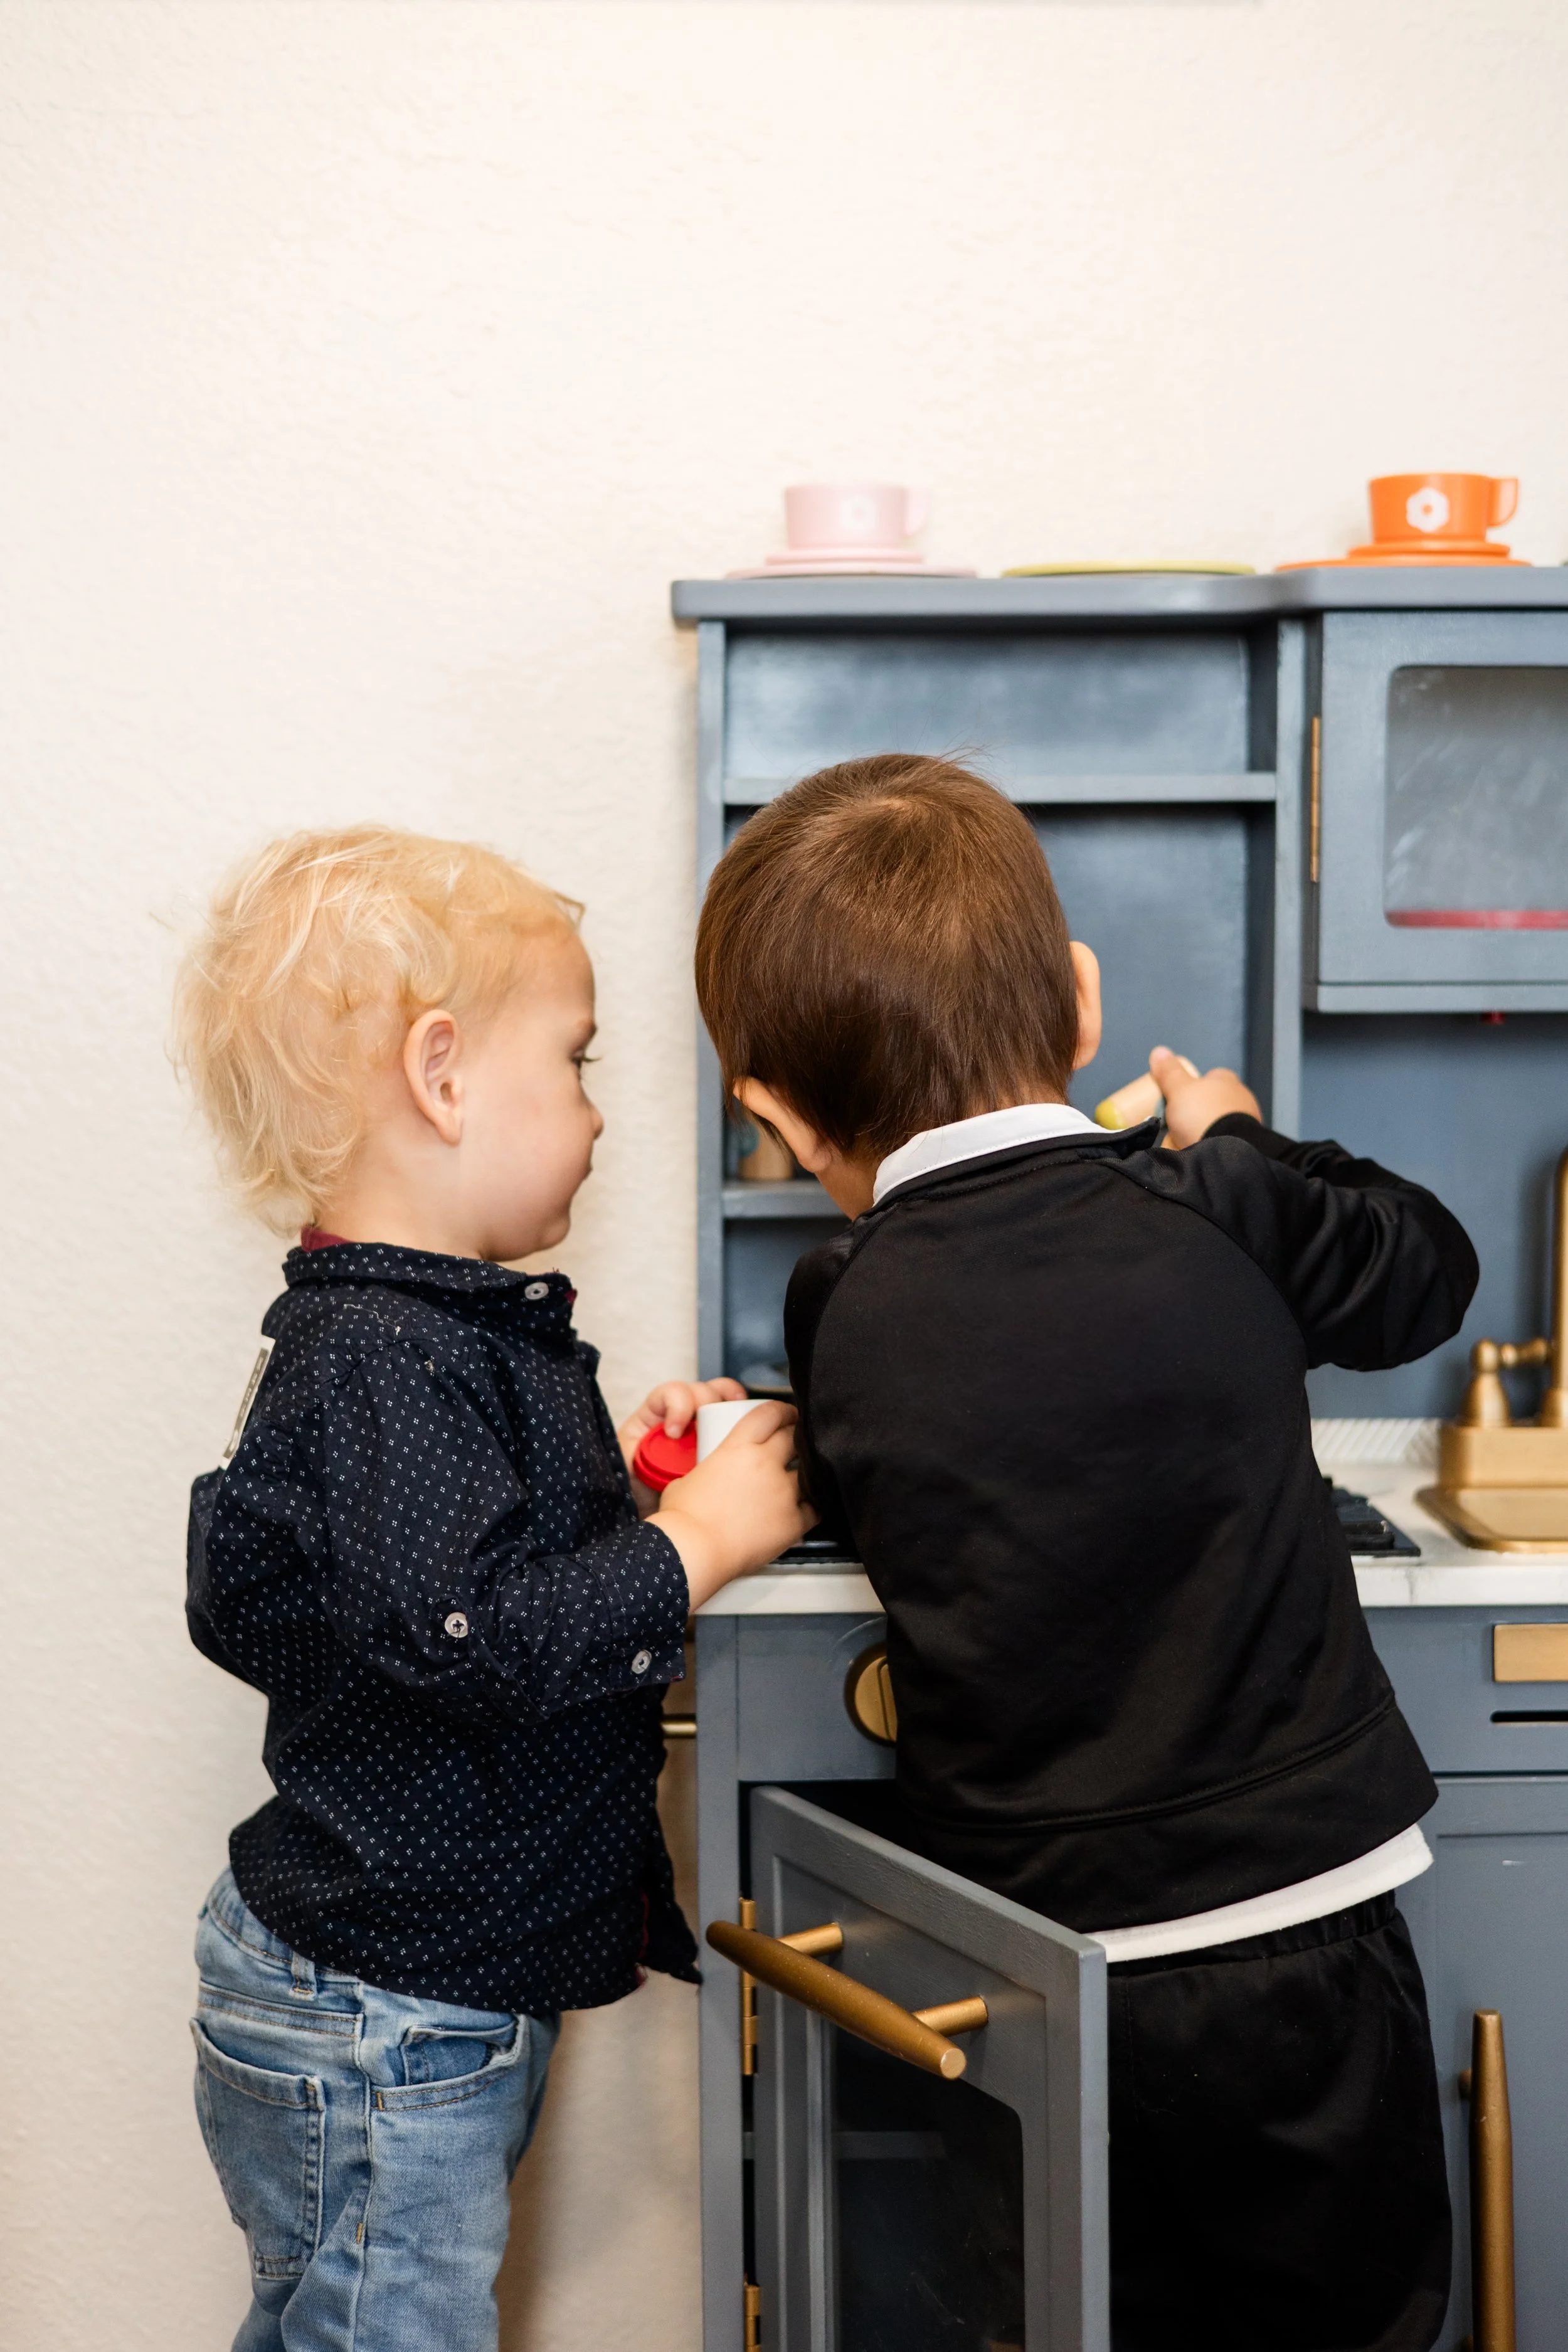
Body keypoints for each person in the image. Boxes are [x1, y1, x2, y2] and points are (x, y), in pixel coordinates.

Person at [694, 755, 1478, 2352]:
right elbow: (1423, 1278)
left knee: (1063, 2310)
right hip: (1297, 1939)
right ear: (1080, 1002)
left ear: (770, 1115)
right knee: (1349, 2321)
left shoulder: (838, 1302)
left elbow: (888, 1476)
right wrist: (1251, 1148)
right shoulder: (1213, 1207)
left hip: (1040, 1963)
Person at [176, 825, 810, 2352]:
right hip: (387, 2017)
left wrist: (640, 1499)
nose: (597, 1114)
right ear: (444, 1075)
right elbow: (467, 1639)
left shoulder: (415, 1334)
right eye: (578, 1062)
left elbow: (444, 1581)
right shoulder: (391, 1355)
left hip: (393, 1991)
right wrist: (696, 1548)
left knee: (332, 2320)